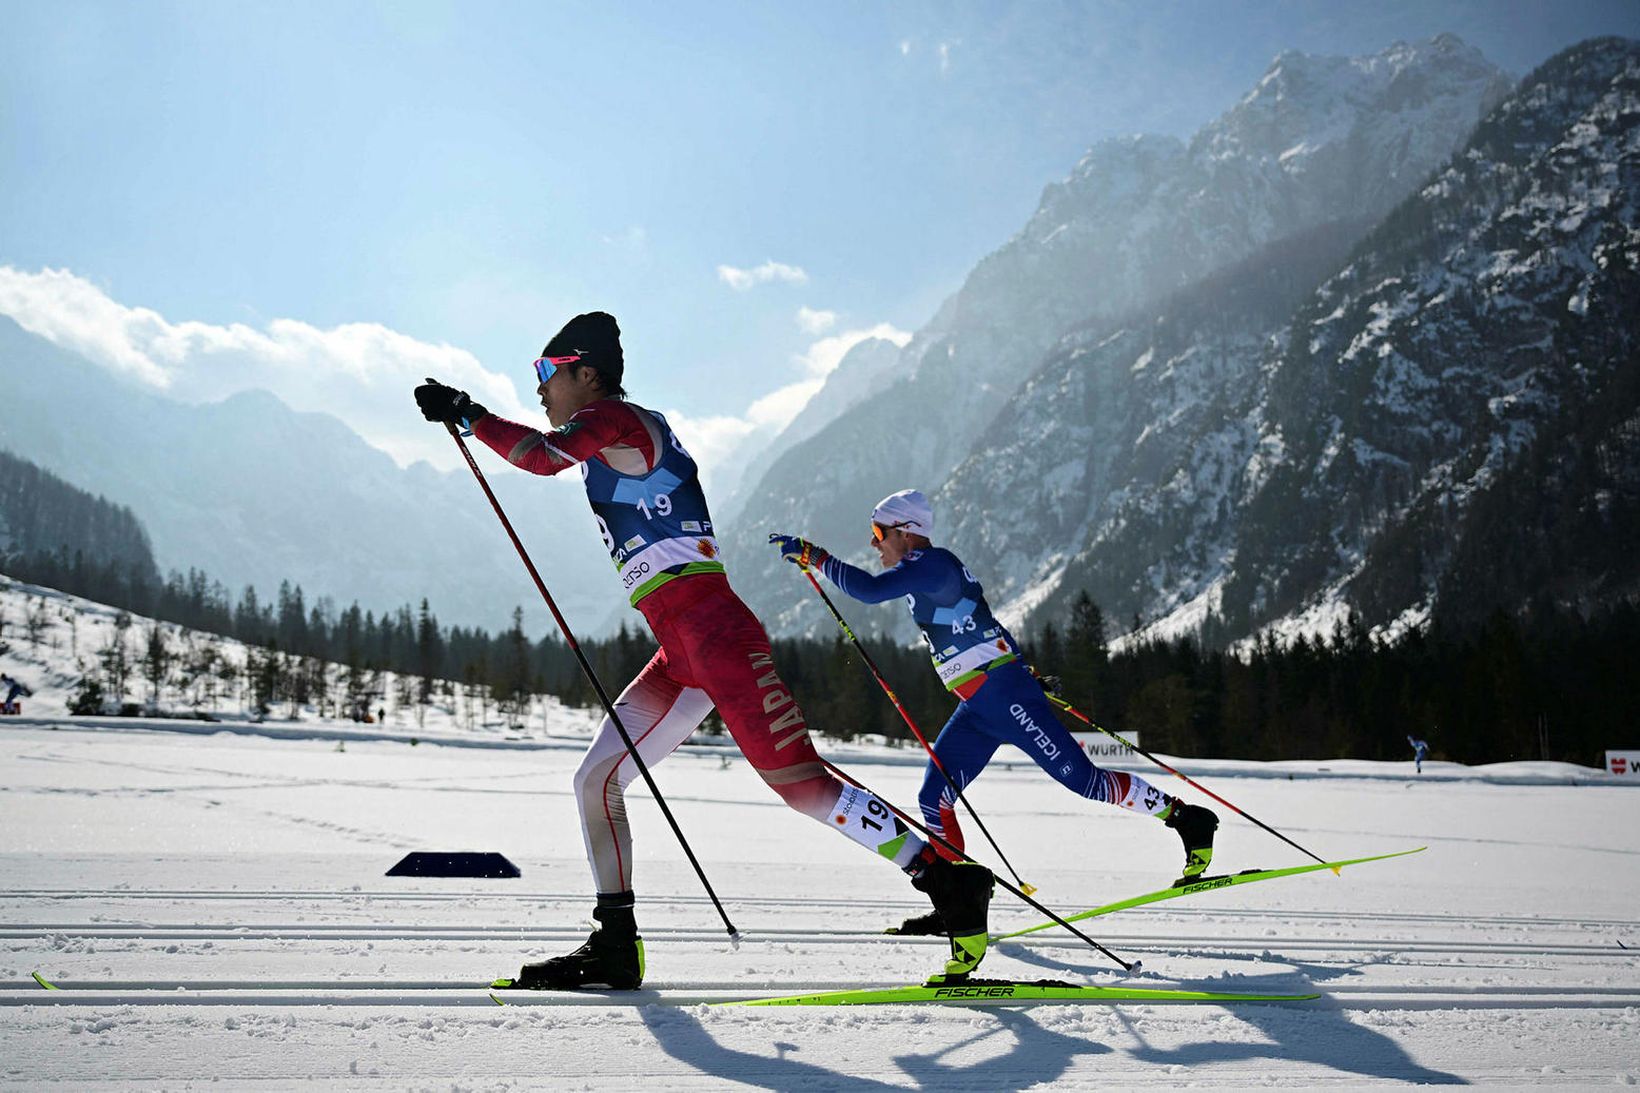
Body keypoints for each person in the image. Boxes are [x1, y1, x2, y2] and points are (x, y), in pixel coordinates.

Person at [414, 313, 994, 989]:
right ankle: (615, 943)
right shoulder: (609, 436)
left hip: (719, 637)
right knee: (596, 780)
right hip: (681, 650)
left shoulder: (618, 420)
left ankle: (947, 882)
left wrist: (469, 414)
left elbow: (543, 456)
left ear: (588, 372)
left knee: (803, 785)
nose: (540, 387)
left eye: (548, 372)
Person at [770, 489, 1219, 934]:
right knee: (933, 799)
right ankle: (955, 898)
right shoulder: (924, 569)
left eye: (877, 532)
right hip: (981, 705)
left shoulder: (932, 564)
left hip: (1004, 697)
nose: (874, 544)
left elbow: (866, 591)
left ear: (906, 533)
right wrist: (1021, 664)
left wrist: (816, 556)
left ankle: (1187, 820)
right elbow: (983, 620)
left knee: (1086, 781)